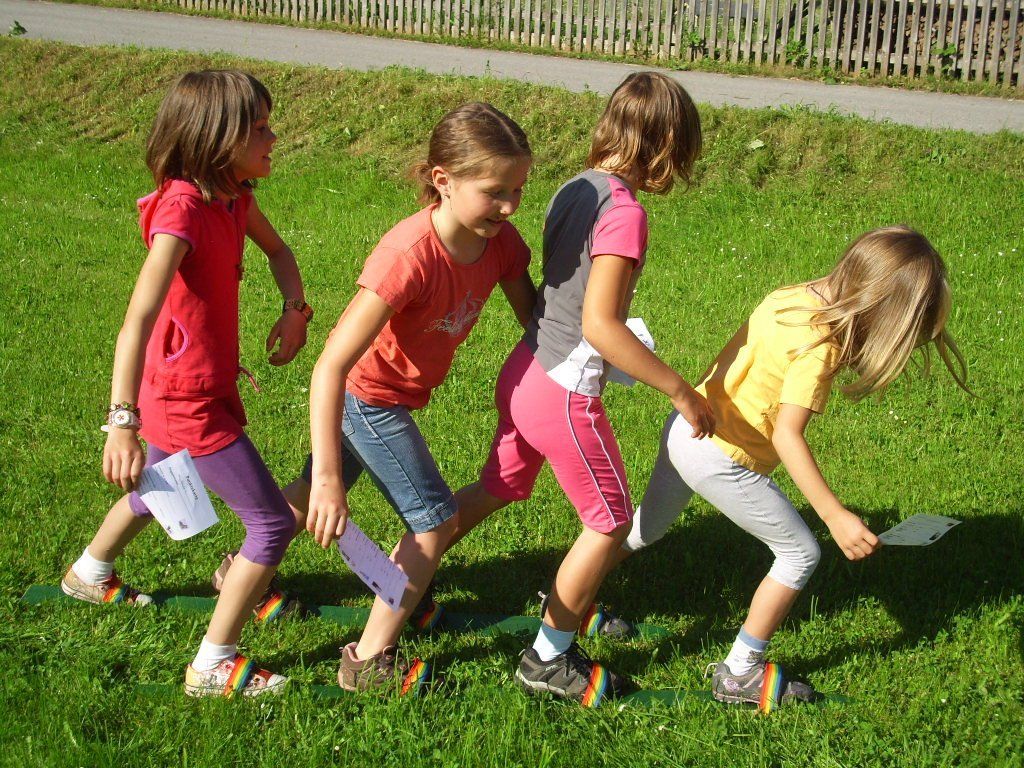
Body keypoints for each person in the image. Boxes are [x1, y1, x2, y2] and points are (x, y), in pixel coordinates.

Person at [437, 72, 713, 706]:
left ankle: (409, 570)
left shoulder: (577, 186)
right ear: (667, 145)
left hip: (525, 368)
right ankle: (547, 658)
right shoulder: (625, 213)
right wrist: (680, 391)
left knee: (499, 486)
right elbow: (600, 325)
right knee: (610, 523)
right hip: (562, 389)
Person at [624, 225, 969, 711]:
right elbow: (788, 435)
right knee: (800, 553)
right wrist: (834, 515)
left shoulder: (792, 296)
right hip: (721, 457)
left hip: (687, 425)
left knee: (646, 528)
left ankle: (568, 597)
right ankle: (739, 673)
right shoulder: (819, 348)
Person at [60, 70, 312, 697]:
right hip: (183, 397)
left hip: (202, 383)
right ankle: (212, 665)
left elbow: (280, 253)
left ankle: (89, 572)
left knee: (168, 486)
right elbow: (138, 319)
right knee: (271, 524)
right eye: (260, 129)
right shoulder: (183, 211)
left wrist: (294, 308)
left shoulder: (234, 197)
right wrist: (122, 423)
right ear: (216, 137)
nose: (273, 138)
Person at [285, 102, 536, 692]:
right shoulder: (408, 255)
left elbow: (534, 317)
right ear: (443, 181)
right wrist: (329, 479)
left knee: (301, 498)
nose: (509, 206)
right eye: (495, 191)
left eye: (518, 190)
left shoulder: (500, 242)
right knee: (434, 521)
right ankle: (368, 662)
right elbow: (331, 367)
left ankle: (241, 571)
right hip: (367, 398)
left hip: (391, 397)